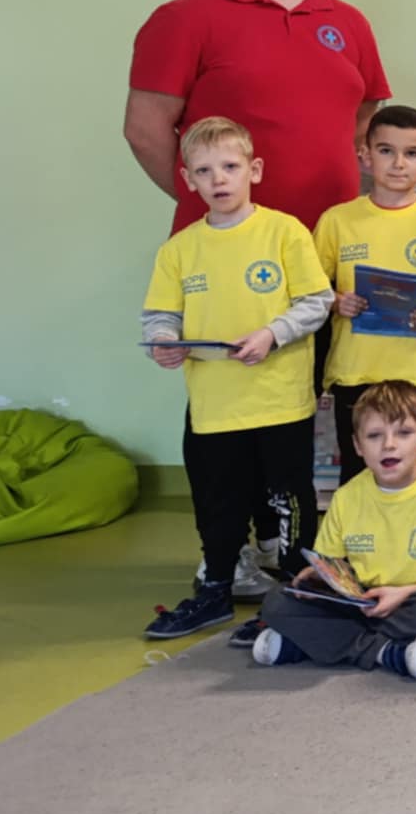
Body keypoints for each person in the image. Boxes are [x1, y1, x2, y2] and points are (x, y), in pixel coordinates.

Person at [126, 0, 390, 593]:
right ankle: (228, 550)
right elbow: (146, 129)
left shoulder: (347, 21)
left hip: (323, 258)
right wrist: (224, 214)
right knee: (226, 410)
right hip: (229, 261)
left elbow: (365, 121)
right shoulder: (185, 17)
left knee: (299, 409)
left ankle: (292, 543)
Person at [140, 116, 333, 640]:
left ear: (255, 170)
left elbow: (317, 301)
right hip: (214, 405)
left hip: (280, 399)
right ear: (188, 179)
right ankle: (216, 590)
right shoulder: (179, 249)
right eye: (204, 171)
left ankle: (298, 589)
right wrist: (164, 341)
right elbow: (160, 315)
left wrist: (272, 334)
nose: (219, 179)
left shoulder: (285, 231)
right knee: (218, 501)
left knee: (289, 499)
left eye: (229, 166)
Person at [251, 379, 416, 679]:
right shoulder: (347, 496)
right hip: (362, 601)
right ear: (357, 445)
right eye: (374, 435)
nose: (389, 444)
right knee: (278, 601)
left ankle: (317, 644)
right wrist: (320, 576)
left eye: (404, 433)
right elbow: (334, 561)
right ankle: (384, 650)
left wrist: (407, 591)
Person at [315, 104, 416, 484]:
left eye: (412, 153)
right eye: (386, 151)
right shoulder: (337, 220)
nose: (399, 163)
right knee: (357, 475)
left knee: (415, 476)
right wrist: (338, 301)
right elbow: (313, 287)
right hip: (355, 370)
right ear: (365, 156)